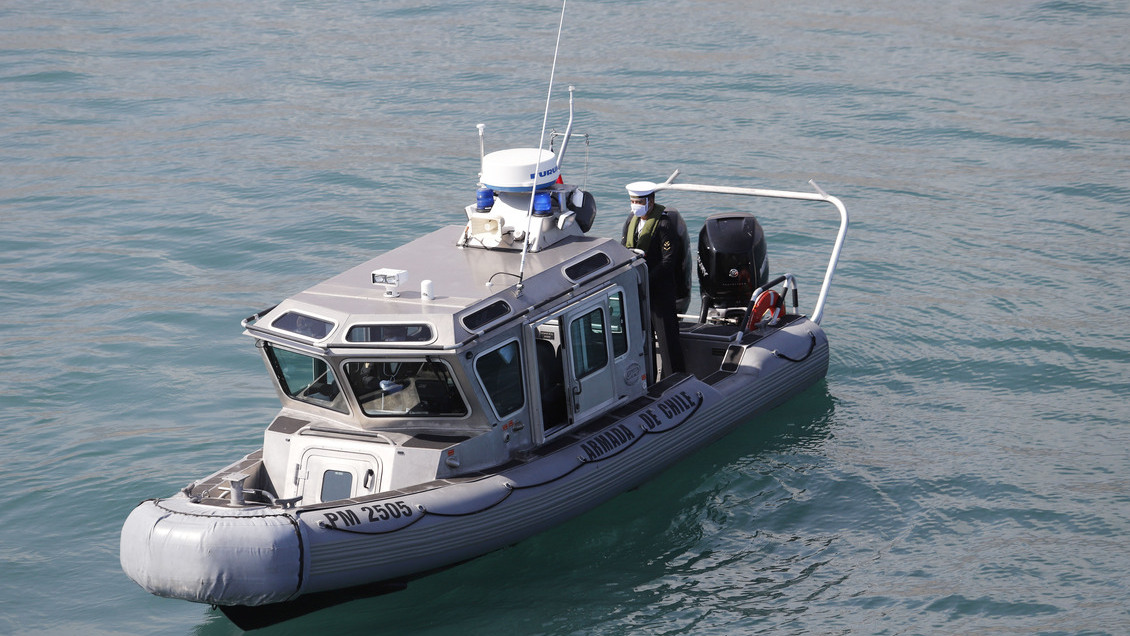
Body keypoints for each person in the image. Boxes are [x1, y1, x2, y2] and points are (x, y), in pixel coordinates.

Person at [622, 181, 686, 378]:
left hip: (660, 292)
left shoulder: (664, 225)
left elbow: (668, 261)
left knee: (667, 339)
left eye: (639, 202)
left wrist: (647, 278)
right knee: (642, 338)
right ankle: (647, 378)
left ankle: (675, 377)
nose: (635, 205)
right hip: (639, 290)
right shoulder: (631, 221)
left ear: (650, 202)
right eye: (632, 201)